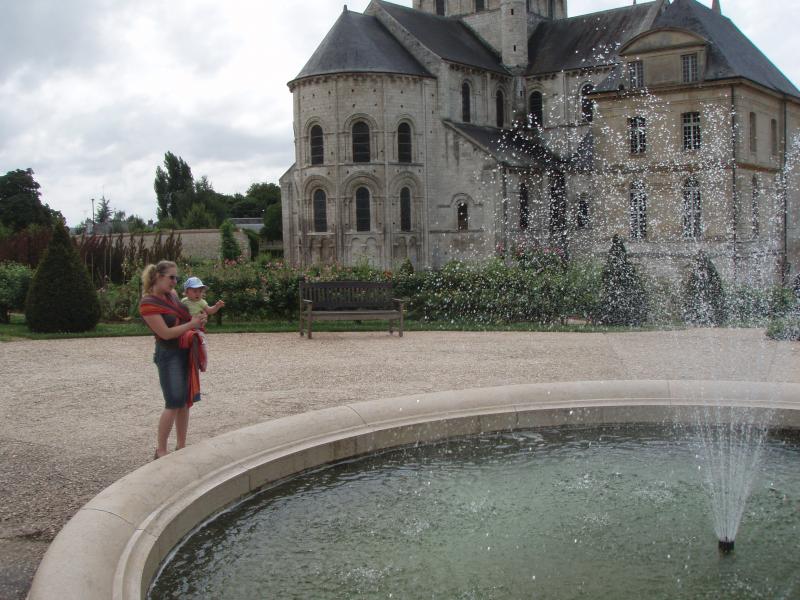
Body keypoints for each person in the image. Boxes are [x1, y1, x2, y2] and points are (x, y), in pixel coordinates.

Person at [139, 261, 207, 459]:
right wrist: (191, 324)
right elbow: (165, 333)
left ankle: (181, 446)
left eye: (176, 278)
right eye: (171, 277)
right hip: (168, 355)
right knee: (173, 402)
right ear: (158, 277)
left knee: (184, 401)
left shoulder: (173, 295)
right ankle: (160, 450)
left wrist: (198, 320)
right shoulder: (148, 303)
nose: (175, 281)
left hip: (184, 351)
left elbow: (186, 318)